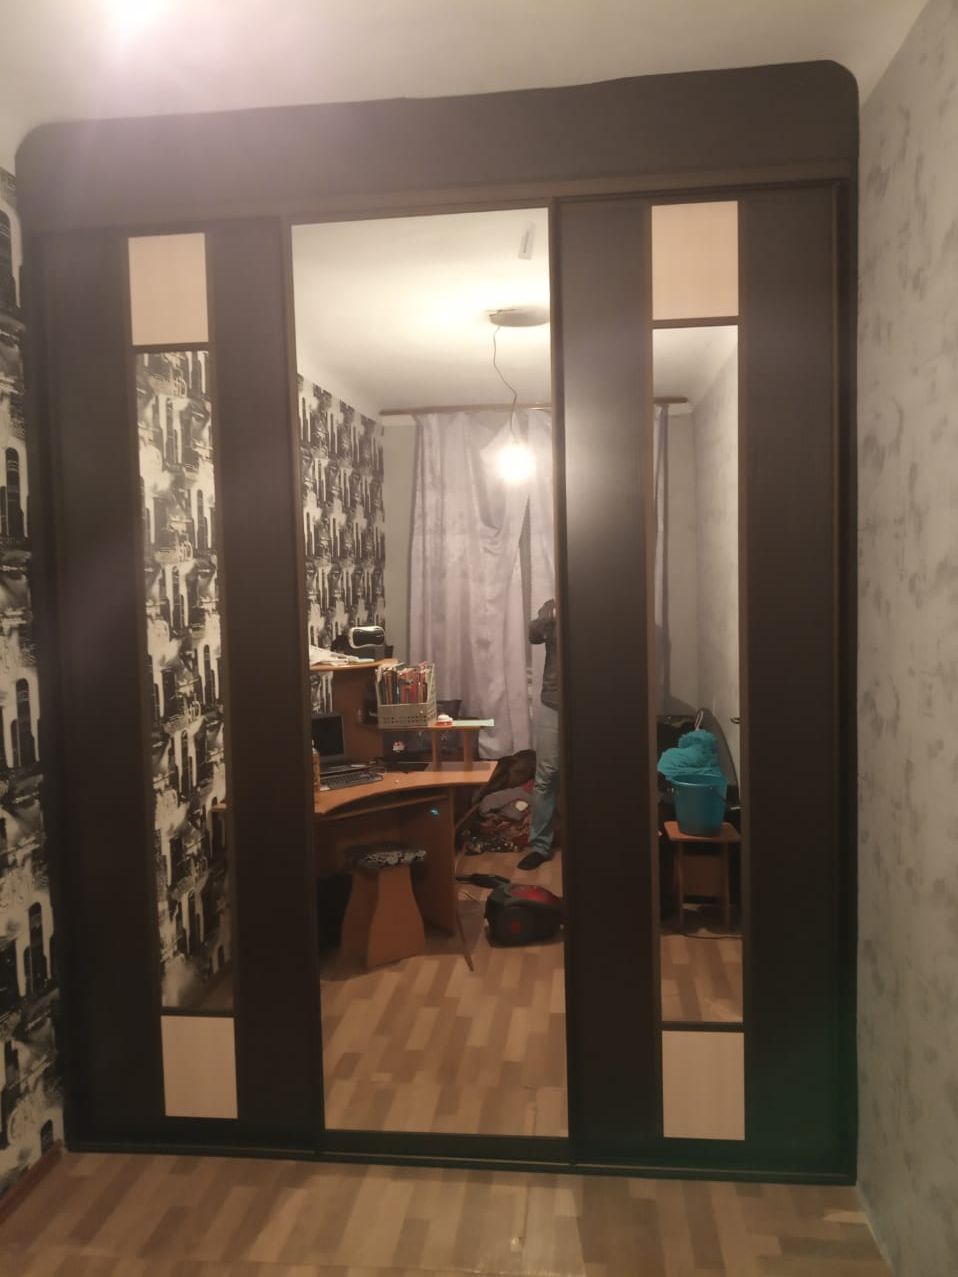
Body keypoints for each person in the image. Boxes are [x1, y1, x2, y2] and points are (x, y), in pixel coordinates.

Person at [519, 598, 559, 870]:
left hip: (588, 702)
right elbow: (533, 635)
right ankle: (540, 846)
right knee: (546, 775)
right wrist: (547, 618)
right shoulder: (553, 608)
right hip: (552, 702)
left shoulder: (596, 604)